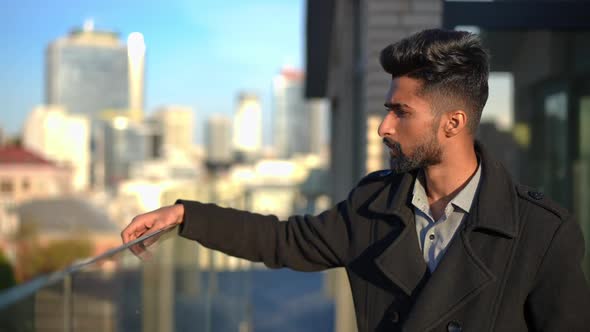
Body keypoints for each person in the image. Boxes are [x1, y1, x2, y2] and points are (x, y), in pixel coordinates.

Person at [122, 29, 590, 331]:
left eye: (400, 112)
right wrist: (186, 214)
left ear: (453, 123)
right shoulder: (375, 204)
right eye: (387, 110)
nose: (384, 127)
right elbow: (284, 240)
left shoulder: (542, 232)